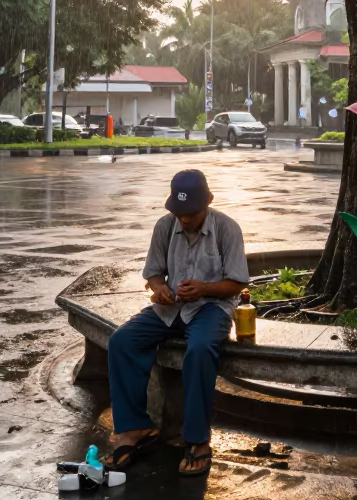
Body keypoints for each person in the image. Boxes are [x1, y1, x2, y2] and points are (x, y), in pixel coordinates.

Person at [103, 169, 249, 478]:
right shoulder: (165, 226)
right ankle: (135, 429)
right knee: (122, 341)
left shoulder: (227, 229)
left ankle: (197, 440)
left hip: (212, 308)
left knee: (198, 351)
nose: (184, 219)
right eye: (178, 212)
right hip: (172, 308)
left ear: (208, 201)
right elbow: (154, 273)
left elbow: (236, 283)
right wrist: (159, 289)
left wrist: (204, 288)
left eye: (191, 213)